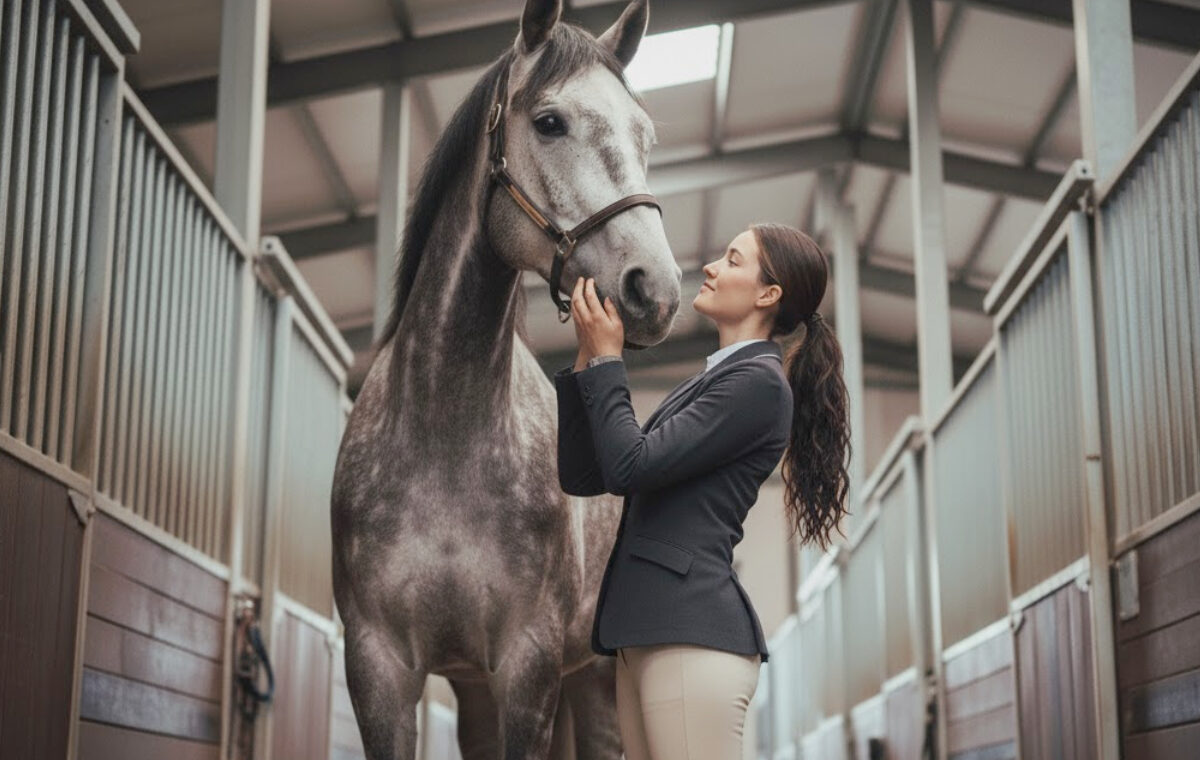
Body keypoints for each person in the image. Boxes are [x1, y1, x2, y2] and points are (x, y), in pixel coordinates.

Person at [553, 222, 851, 760]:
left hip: (690, 636)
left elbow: (628, 465)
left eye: (733, 260)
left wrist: (608, 361)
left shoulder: (757, 384)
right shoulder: (715, 380)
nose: (712, 266)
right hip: (647, 631)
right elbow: (586, 475)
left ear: (768, 294)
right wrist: (585, 360)